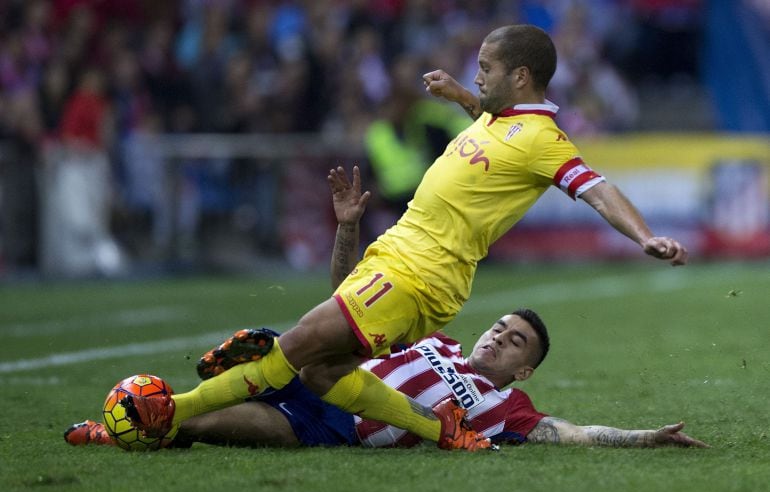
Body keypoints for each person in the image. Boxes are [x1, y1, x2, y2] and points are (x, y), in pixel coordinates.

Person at [121, 24, 688, 452]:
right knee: (320, 370)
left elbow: (597, 188)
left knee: (292, 348)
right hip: (394, 251)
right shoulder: (497, 120)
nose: (477, 75)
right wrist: (460, 98)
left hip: (422, 272)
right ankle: (436, 427)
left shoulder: (546, 139)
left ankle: (163, 413)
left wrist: (645, 237)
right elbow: (494, 122)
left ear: (520, 76)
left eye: (485, 67)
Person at [65, 310, 707, 450]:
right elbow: (347, 305)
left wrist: (646, 437)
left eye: (515, 341)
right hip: (324, 369)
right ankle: (146, 414)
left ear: (524, 368)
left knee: (199, 425)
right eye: (501, 326)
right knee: (305, 349)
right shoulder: (437, 339)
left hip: (331, 421)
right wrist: (347, 226)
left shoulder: (507, 407)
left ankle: (120, 428)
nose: (498, 336)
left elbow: (572, 433)